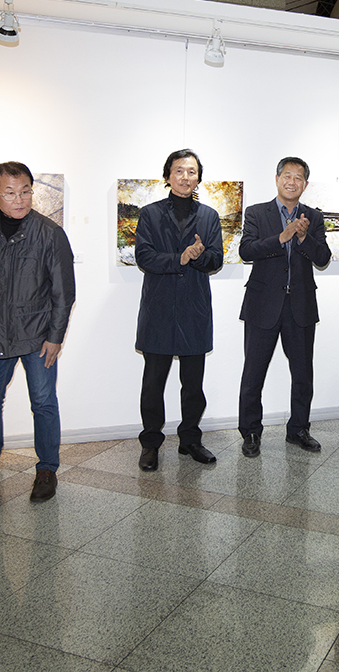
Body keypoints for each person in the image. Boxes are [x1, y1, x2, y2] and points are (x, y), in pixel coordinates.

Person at [0, 162, 75, 502]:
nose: (19, 199)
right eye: (10, 193)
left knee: (43, 403)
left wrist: (55, 337)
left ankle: (47, 468)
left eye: (25, 191)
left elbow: (63, 292)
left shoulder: (49, 233)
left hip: (38, 335)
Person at [237, 157, 332, 458]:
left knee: (303, 375)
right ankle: (251, 431)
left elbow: (323, 258)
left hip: (300, 306)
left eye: (298, 177)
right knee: (253, 374)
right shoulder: (257, 213)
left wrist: (303, 237)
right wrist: (282, 237)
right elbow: (246, 250)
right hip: (262, 305)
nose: (292, 182)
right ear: (277, 179)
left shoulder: (314, 217)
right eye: (287, 176)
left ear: (305, 184)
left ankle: (299, 429)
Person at [135, 149, 224, 470]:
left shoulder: (209, 216)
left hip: (194, 309)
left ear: (198, 178)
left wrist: (199, 256)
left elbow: (216, 259)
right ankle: (150, 443)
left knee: (193, 385)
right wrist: (180, 258)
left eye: (192, 172)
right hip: (158, 309)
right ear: (167, 176)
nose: (185, 177)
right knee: (153, 384)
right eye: (179, 171)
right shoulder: (150, 214)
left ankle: (190, 439)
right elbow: (144, 257)